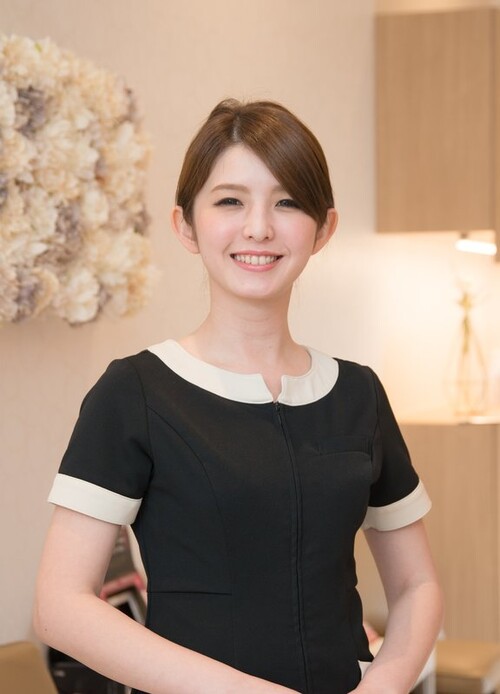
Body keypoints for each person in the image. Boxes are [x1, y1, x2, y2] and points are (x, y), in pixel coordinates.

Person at [34, 99, 443, 694]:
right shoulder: (136, 392)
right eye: (230, 201)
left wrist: (383, 686)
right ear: (185, 225)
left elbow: (416, 585)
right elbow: (61, 606)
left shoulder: (358, 394)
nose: (258, 228)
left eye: (287, 202)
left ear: (324, 228)